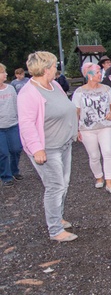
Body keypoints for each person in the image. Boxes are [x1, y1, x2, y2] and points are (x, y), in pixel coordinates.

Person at [17, 51, 78, 242]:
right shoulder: (29, 93)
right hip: (47, 148)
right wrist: (37, 149)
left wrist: (75, 130)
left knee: (63, 183)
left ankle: (57, 218)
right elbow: (26, 124)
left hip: (64, 144)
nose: (55, 70)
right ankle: (54, 230)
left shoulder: (55, 85)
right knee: (55, 186)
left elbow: (67, 109)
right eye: (53, 66)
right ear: (45, 69)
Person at [72, 64, 111, 194]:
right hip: (87, 128)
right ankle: (99, 177)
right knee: (94, 155)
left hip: (105, 126)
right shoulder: (79, 92)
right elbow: (76, 111)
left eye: (100, 72)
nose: (100, 74)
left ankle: (109, 182)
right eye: (97, 72)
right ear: (89, 75)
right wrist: (76, 130)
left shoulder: (106, 89)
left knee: (108, 152)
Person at [0, 63, 23, 186]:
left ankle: (14, 170)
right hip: (0, 128)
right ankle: (5, 176)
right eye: (3, 72)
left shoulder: (10, 88)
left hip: (13, 124)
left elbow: (16, 104)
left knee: (16, 149)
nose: (6, 74)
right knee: (3, 153)